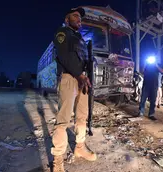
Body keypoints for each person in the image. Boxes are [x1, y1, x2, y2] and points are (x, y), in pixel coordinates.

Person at [51, 7, 97, 172]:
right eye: (75, 16)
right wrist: (79, 74)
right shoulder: (62, 33)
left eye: (80, 17)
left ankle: (79, 147)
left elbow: (82, 59)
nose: (79, 19)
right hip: (70, 78)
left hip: (82, 80)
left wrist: (87, 72)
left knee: (82, 117)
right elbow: (64, 55)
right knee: (63, 121)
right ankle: (57, 160)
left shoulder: (80, 38)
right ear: (67, 18)